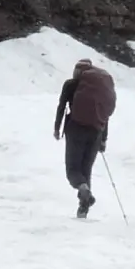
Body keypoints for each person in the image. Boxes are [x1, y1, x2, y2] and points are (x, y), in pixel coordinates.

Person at [54, 58, 117, 219]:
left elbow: (61, 106)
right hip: (95, 132)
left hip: (75, 129)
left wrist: (57, 128)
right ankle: (84, 206)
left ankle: (83, 189)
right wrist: (104, 139)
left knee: (73, 170)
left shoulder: (70, 85)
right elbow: (104, 115)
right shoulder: (98, 90)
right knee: (86, 169)